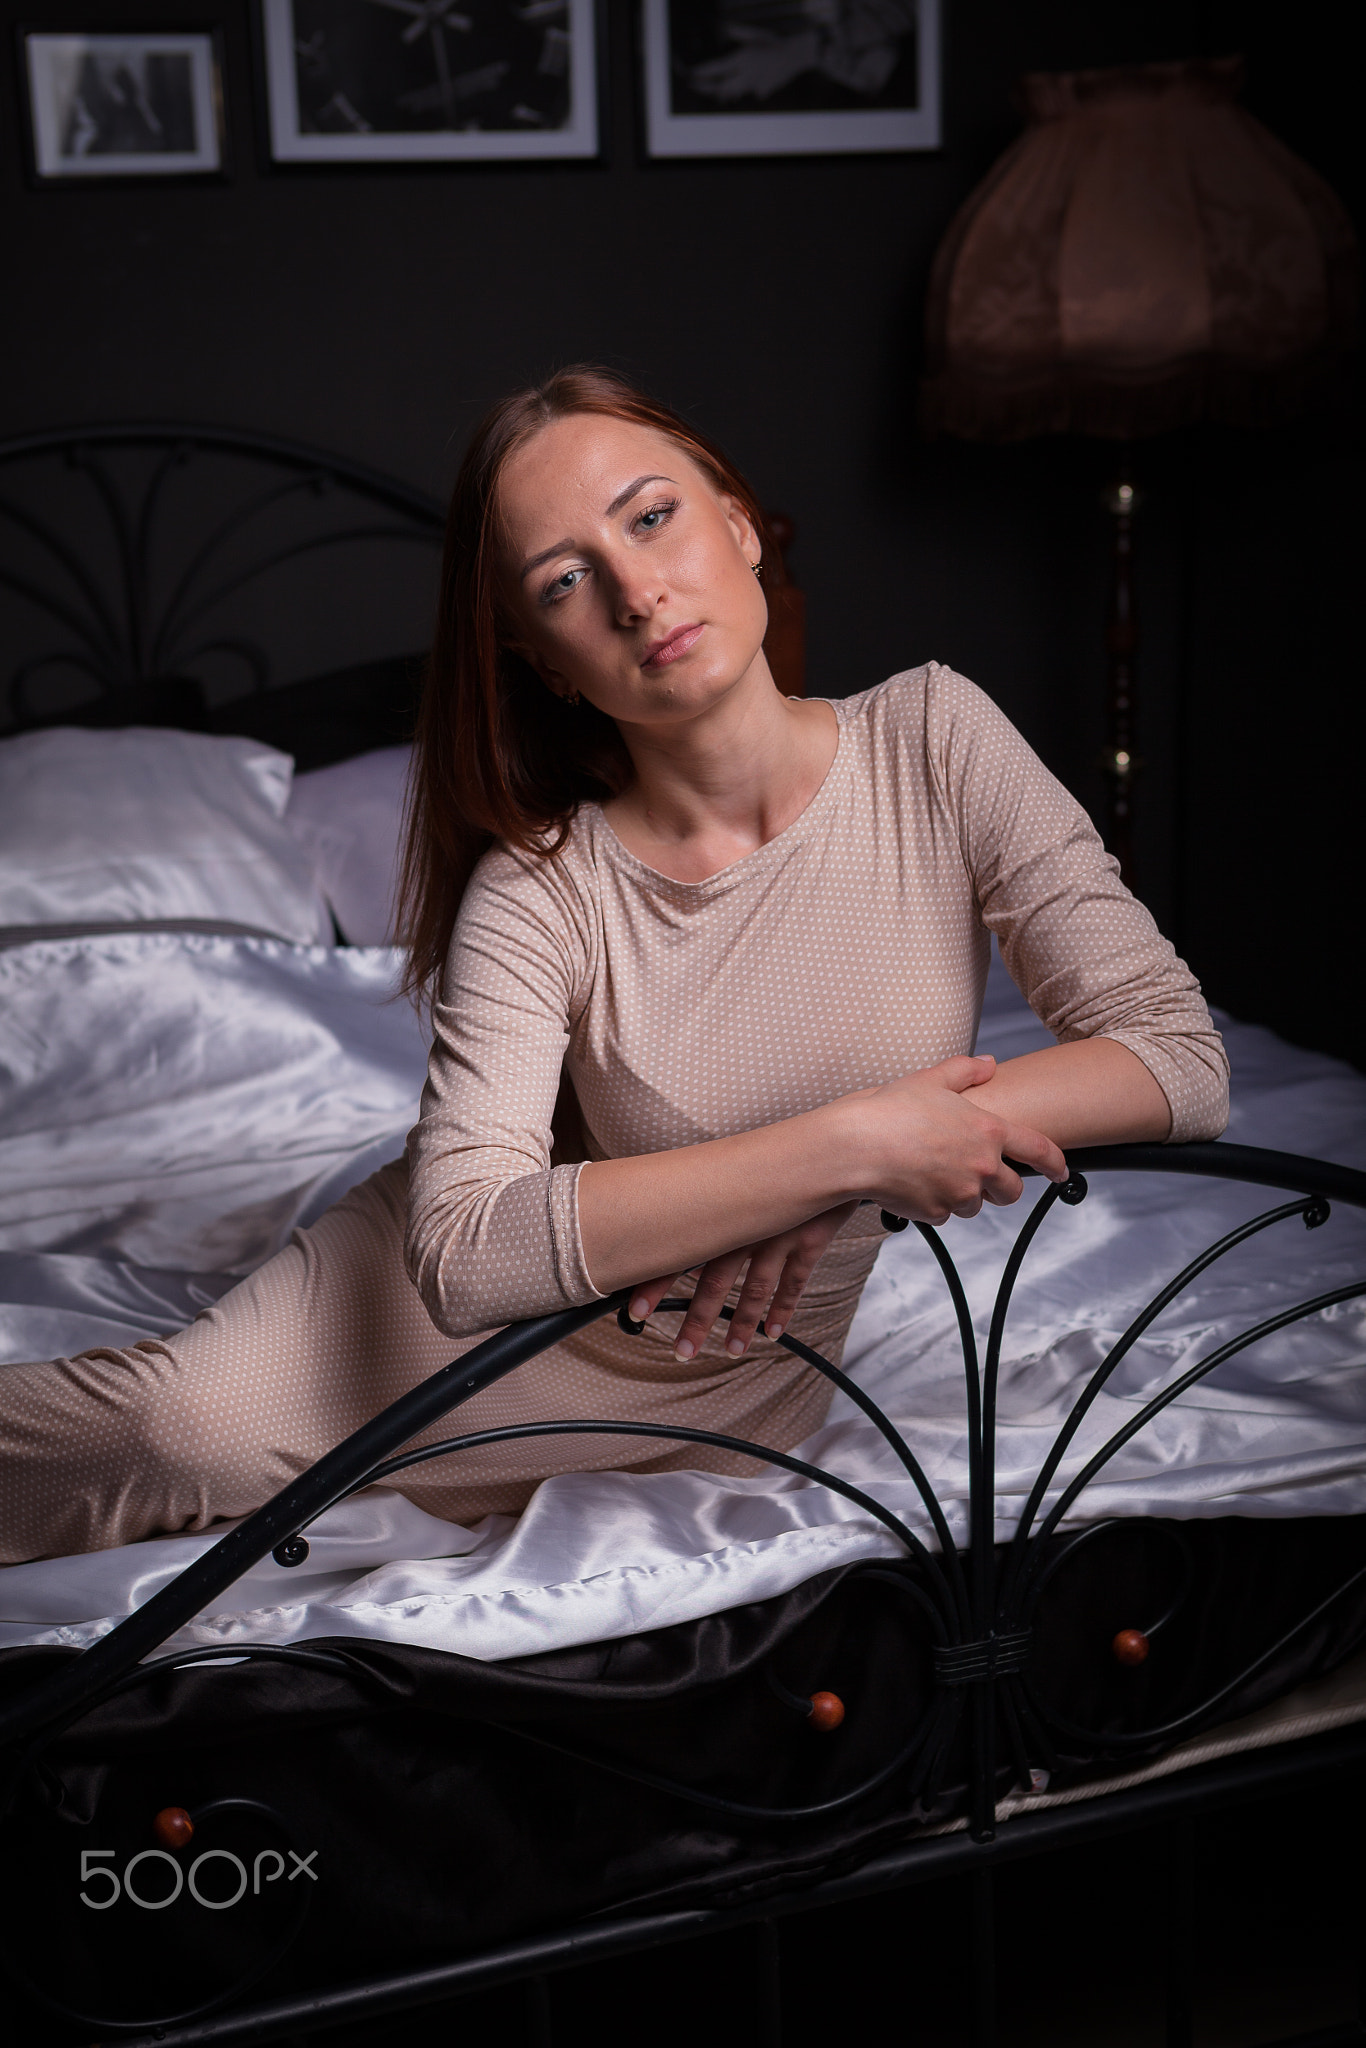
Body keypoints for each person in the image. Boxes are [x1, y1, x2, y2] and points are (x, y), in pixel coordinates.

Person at [0, 366, 1228, 1563]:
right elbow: (467, 1249)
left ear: (740, 525)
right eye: (567, 580)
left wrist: (887, 1147)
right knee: (159, 1427)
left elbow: (1176, 1057)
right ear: (544, 659)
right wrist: (846, 1151)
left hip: (743, 1397)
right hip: (422, 1334)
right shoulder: (541, 887)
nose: (638, 591)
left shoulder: (936, 737)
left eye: (653, 518)